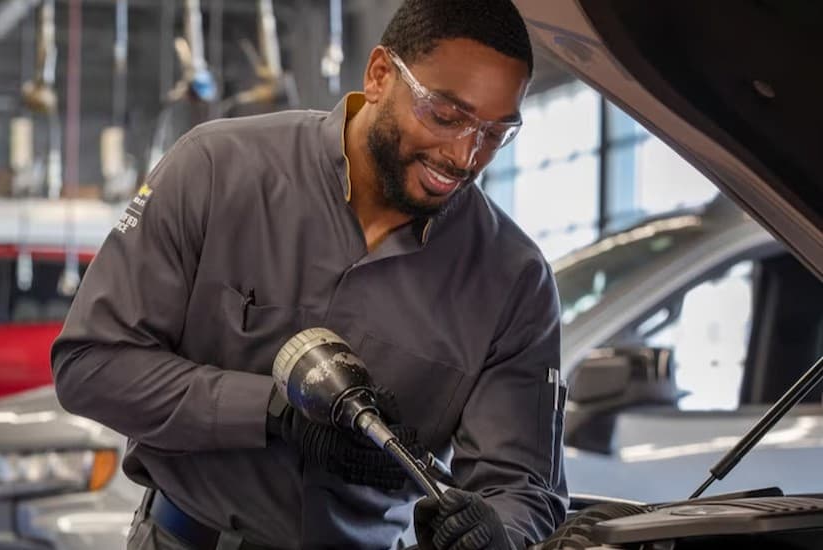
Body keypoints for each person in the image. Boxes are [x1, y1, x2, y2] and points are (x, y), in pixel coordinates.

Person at [51, 0, 567, 548]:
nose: (464, 156)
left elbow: (524, 489)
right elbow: (91, 365)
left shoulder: (514, 282)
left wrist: (496, 533)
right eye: (445, 115)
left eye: (494, 134)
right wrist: (272, 411)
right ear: (379, 75)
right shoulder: (216, 170)